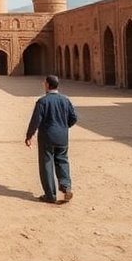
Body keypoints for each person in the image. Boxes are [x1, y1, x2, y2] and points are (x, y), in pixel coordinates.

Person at [25, 75, 77, 204]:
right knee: (62, 161)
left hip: (47, 137)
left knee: (46, 164)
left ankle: (50, 195)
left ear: (48, 85)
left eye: (44, 83)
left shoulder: (43, 101)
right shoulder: (65, 100)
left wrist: (29, 136)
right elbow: (73, 118)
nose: (44, 84)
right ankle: (66, 187)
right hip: (62, 137)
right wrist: (64, 127)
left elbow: (35, 121)